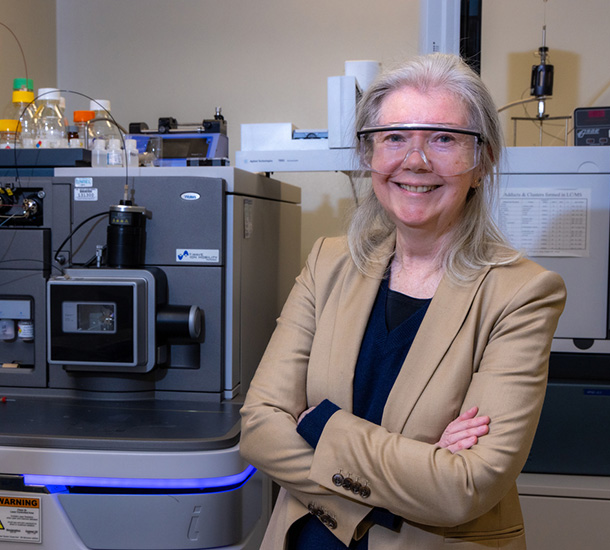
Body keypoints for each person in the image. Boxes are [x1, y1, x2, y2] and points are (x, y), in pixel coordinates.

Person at [239, 53, 566, 550]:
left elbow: (464, 488)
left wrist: (320, 426)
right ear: (370, 155)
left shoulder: (521, 293)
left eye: (443, 138)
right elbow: (260, 428)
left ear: (482, 162)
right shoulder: (328, 263)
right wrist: (420, 466)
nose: (414, 161)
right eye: (394, 137)